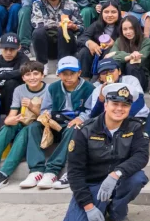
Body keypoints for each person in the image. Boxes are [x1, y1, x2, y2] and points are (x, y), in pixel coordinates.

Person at [59, 83, 150, 221]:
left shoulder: (134, 127)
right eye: (115, 104)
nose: (119, 109)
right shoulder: (85, 130)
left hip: (118, 181)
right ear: (106, 104)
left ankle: (116, 211)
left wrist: (116, 174)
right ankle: (99, 206)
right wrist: (88, 206)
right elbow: (74, 172)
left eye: (125, 105)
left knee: (138, 178)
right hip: (91, 185)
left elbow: (141, 156)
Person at [21, 57, 96, 190]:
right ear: (58, 74)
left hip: (74, 124)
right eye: (64, 74)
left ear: (79, 73)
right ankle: (36, 170)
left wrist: (82, 118)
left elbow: (91, 110)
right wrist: (47, 115)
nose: (68, 77)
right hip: (56, 122)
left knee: (74, 128)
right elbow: (46, 108)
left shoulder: (89, 88)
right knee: (33, 127)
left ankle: (52, 170)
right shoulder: (54, 87)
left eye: (72, 73)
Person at [0, 60, 51, 190]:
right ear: (23, 78)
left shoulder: (49, 90)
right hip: (22, 121)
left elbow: (46, 117)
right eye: (28, 75)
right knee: (6, 128)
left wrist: (32, 106)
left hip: (38, 126)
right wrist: (8, 121)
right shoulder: (19, 89)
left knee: (24, 132)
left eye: (36, 74)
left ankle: (4, 173)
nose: (32, 77)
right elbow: (12, 112)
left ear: (42, 75)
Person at [30, 0, 82, 64]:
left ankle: (63, 64)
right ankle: (42, 64)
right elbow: (37, 23)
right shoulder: (37, 4)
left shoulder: (72, 4)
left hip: (67, 45)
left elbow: (81, 27)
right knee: (38, 32)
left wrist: (74, 26)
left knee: (64, 30)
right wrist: (60, 24)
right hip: (46, 45)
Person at [75, 1, 122, 79]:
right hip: (96, 55)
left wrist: (115, 43)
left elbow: (130, 40)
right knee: (84, 51)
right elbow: (82, 38)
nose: (110, 15)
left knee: (109, 51)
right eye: (106, 12)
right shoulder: (96, 24)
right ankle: (84, 79)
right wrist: (90, 43)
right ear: (101, 13)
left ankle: (105, 78)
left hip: (112, 58)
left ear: (119, 13)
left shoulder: (123, 24)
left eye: (113, 12)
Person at [110, 15, 150, 91]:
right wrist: (129, 56)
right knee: (116, 63)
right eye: (125, 29)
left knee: (131, 65)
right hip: (122, 78)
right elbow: (111, 57)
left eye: (131, 28)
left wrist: (119, 55)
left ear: (137, 28)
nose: (128, 32)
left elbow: (140, 58)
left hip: (140, 77)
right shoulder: (119, 41)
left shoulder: (146, 41)